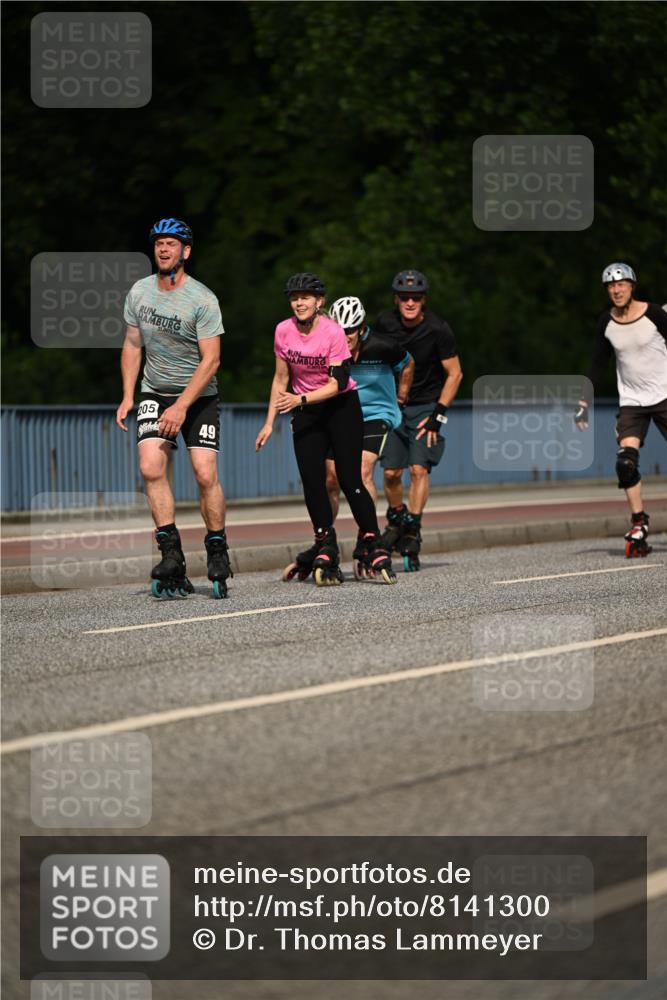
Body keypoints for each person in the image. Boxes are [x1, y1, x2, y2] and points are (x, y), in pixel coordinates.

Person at [115, 217, 232, 598]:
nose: (164, 250)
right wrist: (129, 395)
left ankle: (217, 549)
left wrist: (182, 406)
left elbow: (211, 361)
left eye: (172, 244)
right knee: (150, 466)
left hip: (198, 396)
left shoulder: (203, 298)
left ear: (186, 251)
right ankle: (171, 555)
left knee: (203, 472)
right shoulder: (139, 292)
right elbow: (133, 345)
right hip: (155, 392)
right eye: (159, 244)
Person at [255, 273, 396, 585]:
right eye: (294, 298)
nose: (299, 302)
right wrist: (268, 422)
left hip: (341, 407)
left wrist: (299, 398)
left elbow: (338, 383)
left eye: (306, 297)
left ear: (319, 302)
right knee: (312, 480)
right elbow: (280, 379)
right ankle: (325, 541)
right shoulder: (283, 330)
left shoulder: (332, 332)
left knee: (349, 478)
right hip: (304, 410)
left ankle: (372, 541)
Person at [575, 262, 667, 557]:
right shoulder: (607, 321)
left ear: (632, 286)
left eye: (621, 284)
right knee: (625, 463)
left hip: (665, 396)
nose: (616, 290)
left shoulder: (654, 314)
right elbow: (598, 362)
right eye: (611, 286)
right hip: (632, 403)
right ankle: (639, 522)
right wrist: (583, 401)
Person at [373, 269, 463, 571]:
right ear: (396, 299)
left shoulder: (438, 329)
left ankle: (412, 527)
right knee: (391, 474)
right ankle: (397, 518)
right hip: (393, 406)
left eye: (416, 298)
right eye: (404, 297)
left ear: (423, 300)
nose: (410, 303)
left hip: (426, 406)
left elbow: (455, 374)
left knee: (418, 469)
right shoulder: (384, 324)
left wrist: (439, 414)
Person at [325, 296, 414, 577]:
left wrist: (402, 395)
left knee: (363, 473)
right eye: (340, 331)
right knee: (330, 480)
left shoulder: (383, 346)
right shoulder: (329, 348)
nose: (345, 337)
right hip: (343, 414)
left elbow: (408, 364)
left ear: (361, 328)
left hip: (378, 414)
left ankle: (368, 539)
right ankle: (325, 540)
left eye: (350, 331)